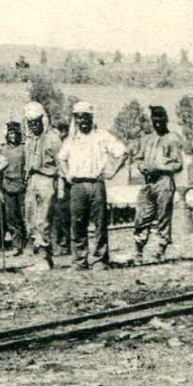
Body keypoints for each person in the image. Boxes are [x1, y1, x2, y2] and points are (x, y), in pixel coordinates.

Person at [58, 101, 129, 269]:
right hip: (77, 186)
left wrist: (112, 172)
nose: (82, 121)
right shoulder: (71, 140)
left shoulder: (102, 136)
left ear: (91, 118)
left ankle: (99, 260)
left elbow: (122, 153)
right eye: (78, 118)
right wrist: (67, 173)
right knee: (77, 224)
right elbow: (61, 158)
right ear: (75, 119)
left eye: (85, 118)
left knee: (100, 223)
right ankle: (79, 261)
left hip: (96, 184)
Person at [132, 105, 185, 264]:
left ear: (166, 119)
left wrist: (158, 167)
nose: (157, 122)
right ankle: (138, 252)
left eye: (160, 119)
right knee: (141, 216)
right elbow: (139, 158)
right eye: (154, 119)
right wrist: (141, 166)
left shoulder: (172, 139)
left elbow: (178, 165)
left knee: (163, 217)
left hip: (164, 181)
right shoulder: (147, 139)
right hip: (148, 182)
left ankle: (160, 250)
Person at [21, 103, 62, 270]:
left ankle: (45, 257)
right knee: (30, 219)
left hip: (47, 179)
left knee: (43, 220)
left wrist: (60, 186)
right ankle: (38, 255)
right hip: (32, 181)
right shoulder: (30, 140)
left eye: (36, 121)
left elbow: (61, 164)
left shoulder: (53, 138)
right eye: (30, 122)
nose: (34, 125)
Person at [0, 120, 27, 254]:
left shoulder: (25, 148)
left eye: (15, 132)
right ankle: (17, 245)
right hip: (7, 187)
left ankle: (31, 245)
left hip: (23, 186)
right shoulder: (2, 150)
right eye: (11, 133)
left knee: (25, 216)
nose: (13, 135)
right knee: (11, 217)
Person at [52, 115, 73, 255]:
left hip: (66, 182)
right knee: (54, 215)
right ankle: (57, 244)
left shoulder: (70, 144)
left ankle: (66, 244)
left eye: (62, 130)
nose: (60, 133)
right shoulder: (53, 143)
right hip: (54, 181)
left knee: (65, 215)